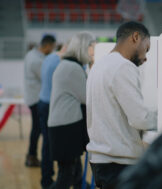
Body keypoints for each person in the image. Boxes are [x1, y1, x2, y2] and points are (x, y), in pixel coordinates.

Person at [86, 21, 157, 189]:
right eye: (146, 49)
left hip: (101, 159)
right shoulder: (123, 67)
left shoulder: (98, 66)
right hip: (118, 162)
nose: (146, 57)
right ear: (135, 37)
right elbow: (140, 118)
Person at [47, 32, 96, 189]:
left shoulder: (68, 65)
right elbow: (87, 97)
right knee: (66, 176)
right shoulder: (72, 68)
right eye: (92, 48)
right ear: (84, 47)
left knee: (72, 172)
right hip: (66, 127)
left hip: (63, 125)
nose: (93, 52)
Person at [38, 43, 68, 189]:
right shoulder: (61, 62)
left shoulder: (49, 57)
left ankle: (46, 179)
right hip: (52, 106)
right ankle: (48, 181)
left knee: (47, 144)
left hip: (43, 102)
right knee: (52, 145)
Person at [24, 34, 56, 167]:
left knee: (36, 129)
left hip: (33, 97)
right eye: (53, 47)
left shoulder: (31, 54)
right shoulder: (37, 61)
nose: (53, 50)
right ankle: (32, 156)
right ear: (47, 45)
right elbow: (46, 77)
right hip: (37, 98)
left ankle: (31, 155)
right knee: (38, 130)